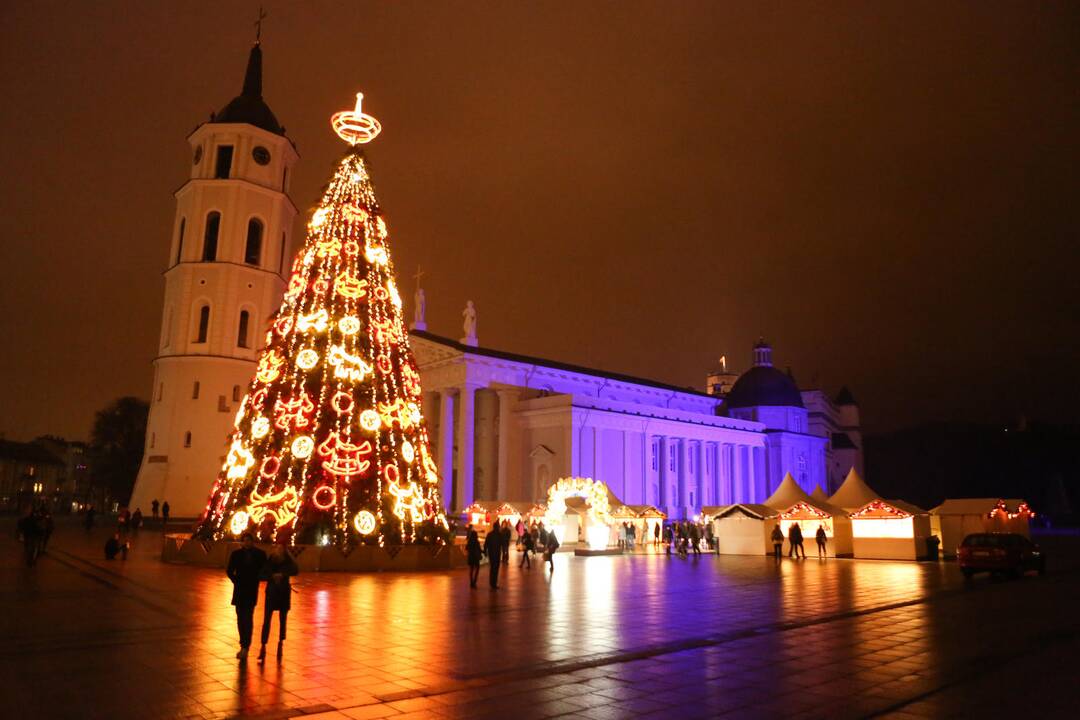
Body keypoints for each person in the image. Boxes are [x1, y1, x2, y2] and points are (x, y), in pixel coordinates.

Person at [226, 532, 266, 660]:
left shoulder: (259, 555)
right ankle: (243, 643)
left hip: (250, 590)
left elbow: (265, 569)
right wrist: (236, 580)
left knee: (247, 618)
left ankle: (245, 645)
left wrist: (257, 579)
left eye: (249, 540)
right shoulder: (236, 555)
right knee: (240, 618)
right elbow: (229, 570)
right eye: (245, 540)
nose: (247, 542)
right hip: (240, 589)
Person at [257, 543, 298, 663]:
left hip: (283, 593)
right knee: (267, 620)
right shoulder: (271, 559)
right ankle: (263, 646)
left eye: (280, 548)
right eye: (276, 547)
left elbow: (295, 570)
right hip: (272, 592)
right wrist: (272, 576)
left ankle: (280, 643)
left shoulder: (288, 560)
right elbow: (262, 573)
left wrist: (283, 575)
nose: (278, 549)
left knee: (282, 619)